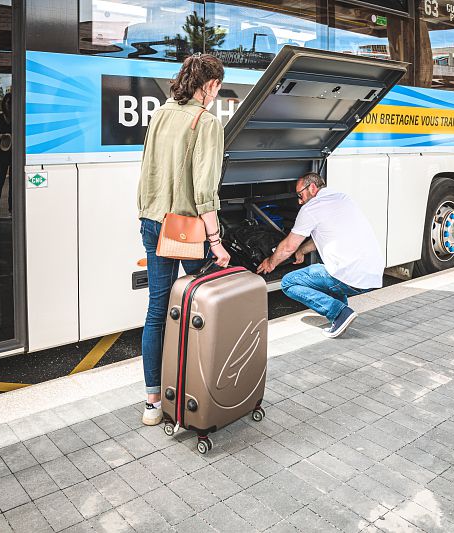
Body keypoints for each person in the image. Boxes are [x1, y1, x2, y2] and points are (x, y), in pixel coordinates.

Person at [137, 53, 231, 426]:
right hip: (187, 228)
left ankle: (152, 403)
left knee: (157, 310)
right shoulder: (206, 122)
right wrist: (216, 240)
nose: (217, 94)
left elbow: (147, 169)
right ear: (209, 86)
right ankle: (196, 390)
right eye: (218, 87)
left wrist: (148, 213)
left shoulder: (160, 113)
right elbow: (204, 189)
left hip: (152, 221)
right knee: (201, 307)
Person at [257, 172, 384, 338]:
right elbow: (325, 235)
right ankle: (342, 314)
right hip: (372, 272)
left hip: (349, 276)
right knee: (325, 268)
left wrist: (270, 262)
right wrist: (301, 251)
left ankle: (339, 313)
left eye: (300, 195)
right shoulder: (342, 198)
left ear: (312, 187)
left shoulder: (312, 207)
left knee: (288, 283)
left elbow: (288, 246)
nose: (299, 201)